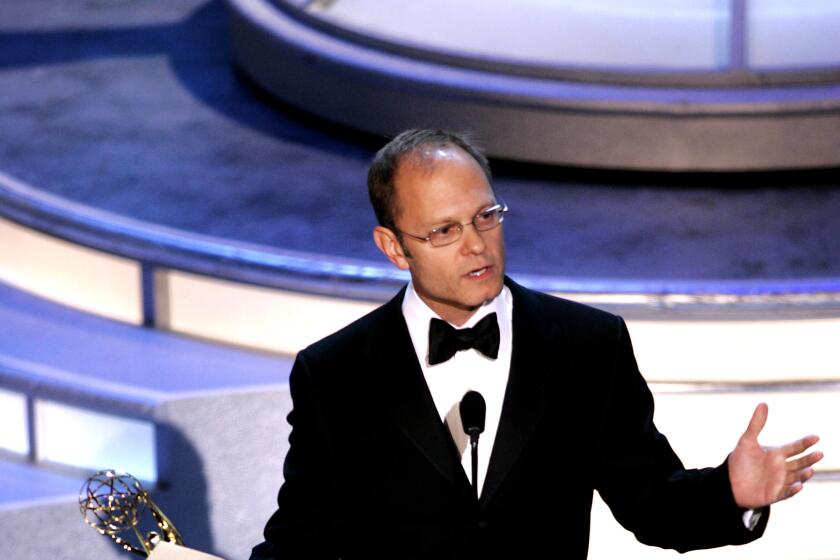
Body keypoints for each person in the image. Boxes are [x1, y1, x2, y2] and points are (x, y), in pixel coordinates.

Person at [250, 129, 822, 559]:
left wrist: (732, 494)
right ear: (394, 247)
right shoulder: (336, 373)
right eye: (445, 231)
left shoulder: (585, 346)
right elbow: (302, 541)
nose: (476, 245)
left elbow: (653, 504)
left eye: (486, 217)